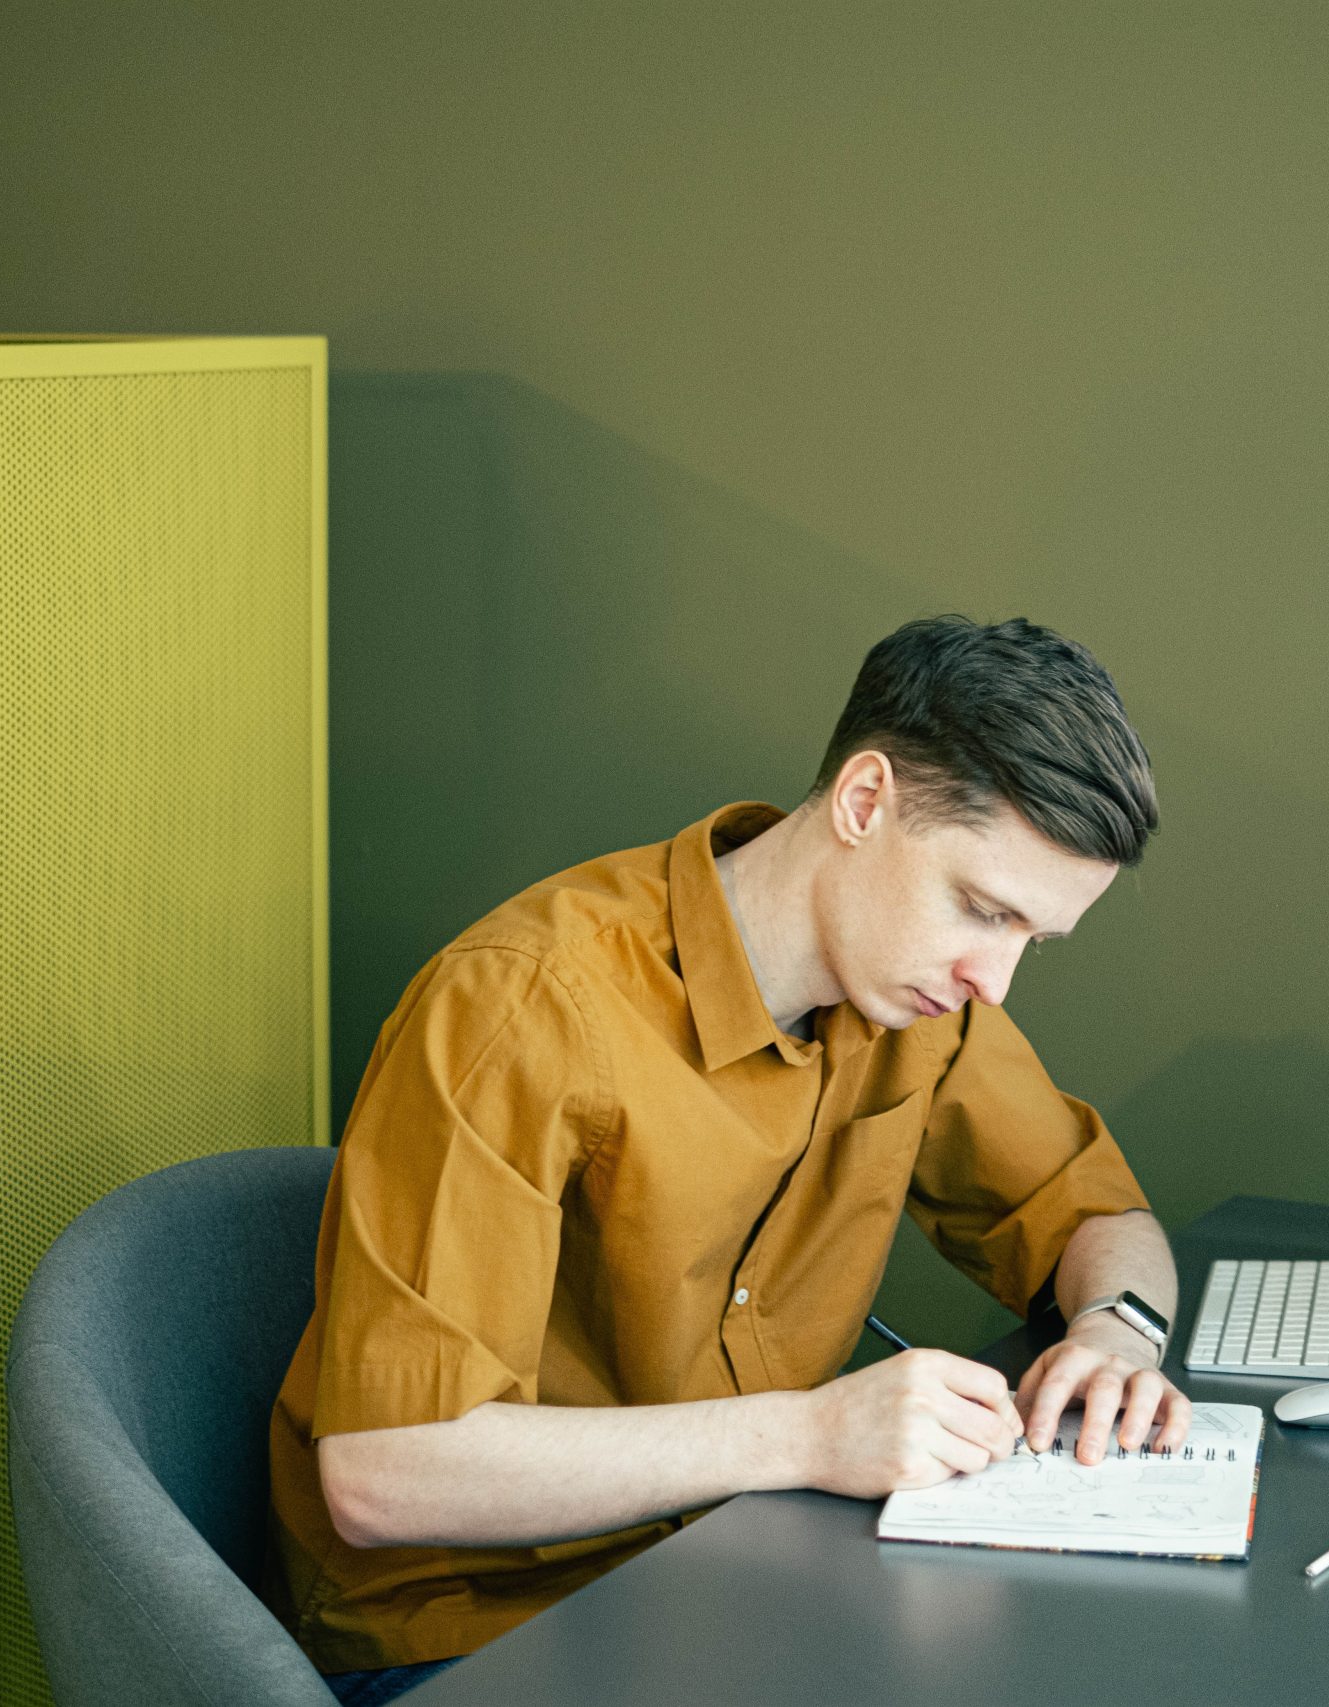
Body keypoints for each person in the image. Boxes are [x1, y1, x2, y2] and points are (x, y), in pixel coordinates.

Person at [267, 615, 1189, 1704]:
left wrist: (1113, 1333)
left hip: (735, 1574)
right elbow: (388, 1474)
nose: (995, 978)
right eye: (982, 910)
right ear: (862, 802)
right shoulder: (522, 1006)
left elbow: (1097, 1219)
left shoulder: (923, 1008)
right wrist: (811, 1434)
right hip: (472, 1633)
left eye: (1030, 939)